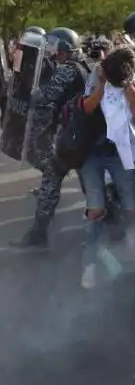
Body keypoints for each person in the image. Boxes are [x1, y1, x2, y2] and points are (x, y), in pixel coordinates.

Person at [80, 46, 135, 288]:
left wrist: (133, 100)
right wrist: (101, 86)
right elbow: (87, 107)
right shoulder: (99, 72)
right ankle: (90, 264)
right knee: (95, 209)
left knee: (130, 205)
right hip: (91, 149)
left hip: (121, 150)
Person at [11, 27, 90, 249]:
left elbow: (42, 97)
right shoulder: (81, 65)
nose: (51, 47)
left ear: (64, 46)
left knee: (50, 184)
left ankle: (38, 235)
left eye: (54, 43)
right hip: (80, 136)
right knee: (90, 186)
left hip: (68, 139)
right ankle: (115, 223)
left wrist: (24, 82)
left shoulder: (67, 70)